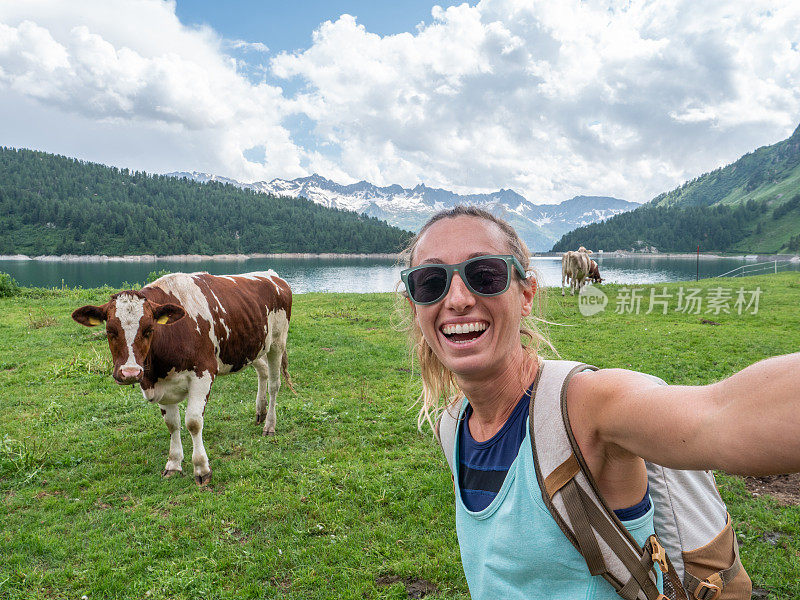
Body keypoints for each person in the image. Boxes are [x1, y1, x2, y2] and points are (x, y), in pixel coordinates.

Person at [398, 205, 800, 599]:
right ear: (416, 305)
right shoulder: (452, 425)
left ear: (526, 294)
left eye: (485, 275)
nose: (457, 299)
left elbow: (717, 415)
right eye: (430, 282)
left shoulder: (586, 407)